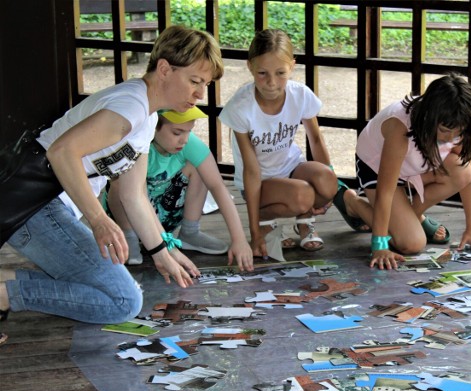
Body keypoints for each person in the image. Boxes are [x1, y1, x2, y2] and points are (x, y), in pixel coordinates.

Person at [0, 26, 224, 326]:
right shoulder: (130, 106)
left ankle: (7, 286)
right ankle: (3, 293)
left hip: (47, 208)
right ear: (165, 69)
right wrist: (99, 219)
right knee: (122, 301)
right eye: (195, 81)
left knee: (116, 294)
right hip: (34, 206)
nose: (199, 93)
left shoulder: (148, 116)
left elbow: (134, 195)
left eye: (205, 84)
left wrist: (162, 250)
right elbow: (61, 152)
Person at [333, 72, 471, 270]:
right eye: (445, 131)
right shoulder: (400, 127)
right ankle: (352, 202)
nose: (451, 138)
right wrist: (379, 245)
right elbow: (386, 190)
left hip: (415, 166)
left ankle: (409, 218)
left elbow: (467, 172)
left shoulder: (456, 118)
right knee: (411, 244)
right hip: (377, 168)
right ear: (429, 116)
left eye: (458, 132)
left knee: (461, 171)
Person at [219, 29, 337, 258]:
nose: (271, 83)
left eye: (280, 72)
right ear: (250, 66)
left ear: (292, 66)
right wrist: (253, 234)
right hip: (260, 183)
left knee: (327, 180)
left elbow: (315, 138)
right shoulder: (240, 107)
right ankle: (265, 221)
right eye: (262, 73)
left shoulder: (300, 94)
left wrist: (330, 194)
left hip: (291, 169)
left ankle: (305, 219)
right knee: (303, 195)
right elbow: (252, 171)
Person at [105, 106, 253, 270]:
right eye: (177, 133)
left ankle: (190, 232)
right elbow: (138, 197)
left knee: (200, 168)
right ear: (153, 127)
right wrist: (167, 246)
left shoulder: (189, 144)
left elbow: (217, 186)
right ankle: (129, 237)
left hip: (165, 215)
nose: (185, 140)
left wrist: (239, 239)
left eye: (189, 131)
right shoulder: (139, 146)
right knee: (120, 182)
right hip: (131, 216)